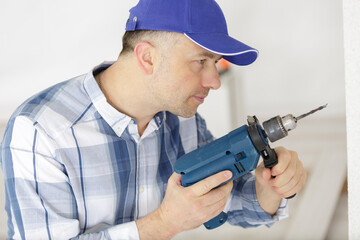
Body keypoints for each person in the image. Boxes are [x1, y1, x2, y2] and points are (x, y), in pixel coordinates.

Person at [0, 0, 307, 239]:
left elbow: (223, 197)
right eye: (201, 61)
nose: (215, 81)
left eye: (215, 63)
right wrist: (163, 224)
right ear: (148, 58)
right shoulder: (41, 131)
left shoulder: (181, 118)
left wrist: (270, 190)